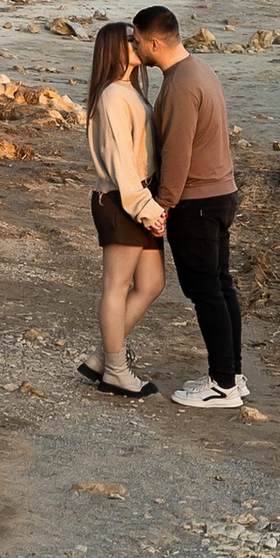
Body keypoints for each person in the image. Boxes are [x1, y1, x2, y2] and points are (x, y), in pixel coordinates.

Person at [130, 4, 247, 408]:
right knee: (220, 285)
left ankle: (222, 386)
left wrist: (161, 206)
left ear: (154, 43)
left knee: (206, 292)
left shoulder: (181, 84)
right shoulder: (199, 70)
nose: (134, 47)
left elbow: (177, 155)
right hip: (219, 194)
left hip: (196, 202)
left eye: (137, 41)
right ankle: (232, 374)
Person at [79, 20, 168, 398]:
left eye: (137, 38)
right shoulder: (113, 95)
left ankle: (103, 358)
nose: (137, 43)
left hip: (136, 197)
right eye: (129, 40)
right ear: (112, 48)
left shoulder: (128, 89)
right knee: (116, 286)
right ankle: (115, 370)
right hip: (122, 200)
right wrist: (148, 209)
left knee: (152, 283)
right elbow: (120, 161)